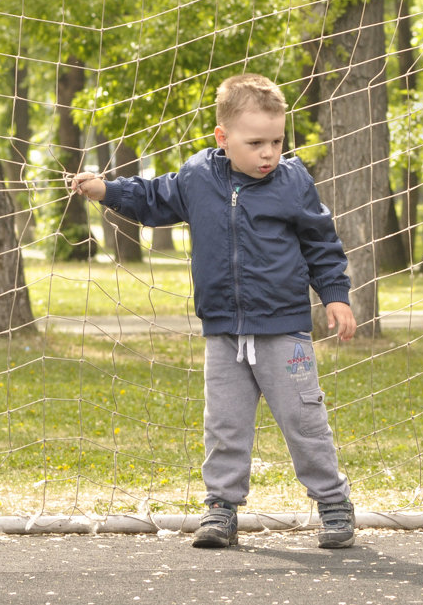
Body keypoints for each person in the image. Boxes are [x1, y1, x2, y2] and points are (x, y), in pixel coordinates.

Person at [69, 73, 358, 550]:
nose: (269, 153)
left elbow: (322, 244)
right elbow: (153, 198)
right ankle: (221, 508)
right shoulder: (198, 176)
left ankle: (332, 502)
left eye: (277, 141)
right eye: (256, 142)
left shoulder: (293, 182)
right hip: (223, 330)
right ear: (223, 138)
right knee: (224, 424)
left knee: (304, 421)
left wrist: (335, 295)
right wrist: (107, 190)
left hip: (283, 330)